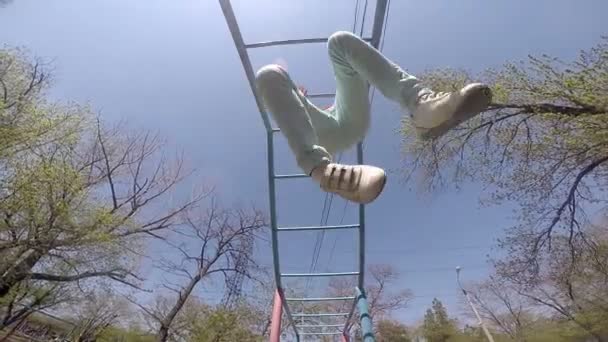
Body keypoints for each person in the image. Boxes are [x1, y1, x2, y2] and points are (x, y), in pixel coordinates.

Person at [255, 31, 492, 204]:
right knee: (268, 74)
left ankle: (421, 105)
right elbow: (281, 99)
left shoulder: (321, 107)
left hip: (348, 120)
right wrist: (291, 96)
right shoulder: (289, 105)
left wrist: (308, 100)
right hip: (321, 136)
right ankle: (320, 170)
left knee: (339, 41)